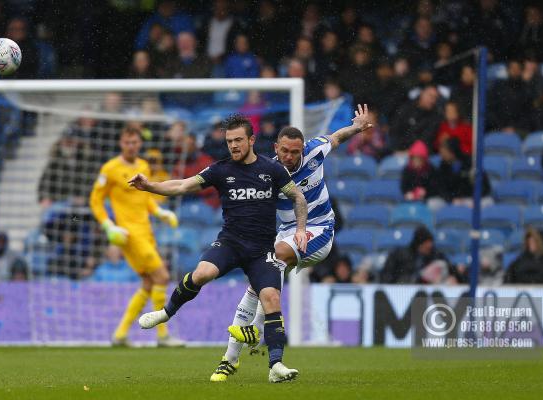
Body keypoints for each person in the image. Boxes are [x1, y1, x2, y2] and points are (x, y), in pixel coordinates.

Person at [130, 114, 308, 383]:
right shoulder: (221, 170)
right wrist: (150, 186)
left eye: (238, 140)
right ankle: (166, 313)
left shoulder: (272, 170)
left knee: (271, 299)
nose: (233, 146)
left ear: (251, 140)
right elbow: (181, 184)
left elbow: (298, 196)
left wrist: (300, 229)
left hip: (262, 250)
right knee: (202, 273)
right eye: (229, 141)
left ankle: (276, 366)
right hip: (231, 243)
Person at [217, 105, 375, 381]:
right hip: (286, 233)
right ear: (276, 147)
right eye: (285, 151)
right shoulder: (266, 172)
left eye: (295, 152)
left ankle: (254, 330)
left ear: (303, 149)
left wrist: (357, 126)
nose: (290, 157)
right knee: (258, 282)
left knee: (273, 259)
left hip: (319, 230)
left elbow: (336, 137)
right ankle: (229, 360)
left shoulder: (315, 152)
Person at [89, 126, 182, 347]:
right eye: (127, 142)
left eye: (134, 142)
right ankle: (163, 335)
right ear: (121, 143)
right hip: (129, 235)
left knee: (149, 283)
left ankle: (120, 334)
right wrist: (108, 225)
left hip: (146, 232)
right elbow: (95, 200)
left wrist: (160, 212)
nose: (131, 146)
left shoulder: (143, 166)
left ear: (139, 144)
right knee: (162, 276)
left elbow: (145, 197)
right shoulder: (110, 169)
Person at [379, 226, 458, 284]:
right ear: (419, 244)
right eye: (425, 245)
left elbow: (452, 270)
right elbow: (387, 276)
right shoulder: (399, 255)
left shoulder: (435, 255)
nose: (429, 248)